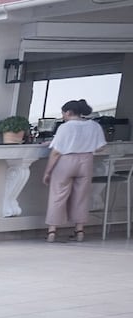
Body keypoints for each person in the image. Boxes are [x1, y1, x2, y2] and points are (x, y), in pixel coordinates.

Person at [42, 99, 106, 243]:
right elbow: (101, 147)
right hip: (86, 161)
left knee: (58, 195)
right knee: (81, 196)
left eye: (63, 113)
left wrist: (47, 172)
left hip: (66, 161)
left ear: (69, 112)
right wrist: (85, 146)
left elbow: (56, 152)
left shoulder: (65, 127)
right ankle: (79, 231)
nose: (63, 116)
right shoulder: (94, 126)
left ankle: (52, 231)